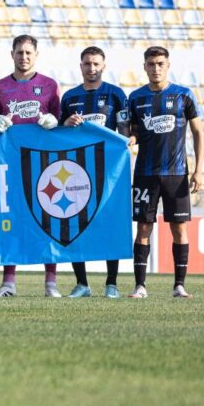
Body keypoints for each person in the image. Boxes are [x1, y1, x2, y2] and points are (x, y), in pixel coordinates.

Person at [127, 46, 204, 299]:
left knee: (178, 229)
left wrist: (199, 170)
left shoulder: (184, 95)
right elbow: (134, 131)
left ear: (168, 65)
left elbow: (198, 132)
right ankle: (140, 286)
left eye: (160, 63)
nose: (156, 68)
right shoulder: (136, 98)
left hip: (177, 174)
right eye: (151, 64)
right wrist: (131, 138)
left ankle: (179, 286)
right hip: (145, 175)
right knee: (143, 229)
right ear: (145, 67)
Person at [0, 35, 62, 297]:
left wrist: (53, 122)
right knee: (12, 221)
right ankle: (8, 282)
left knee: (48, 219)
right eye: (19, 52)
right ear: (12, 54)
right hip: (11, 162)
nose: (24, 57)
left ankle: (51, 283)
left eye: (28, 52)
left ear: (36, 55)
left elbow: (61, 122)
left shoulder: (50, 85)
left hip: (43, 163)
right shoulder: (0, 87)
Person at [60, 46, 129, 299]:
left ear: (103, 66)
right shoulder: (69, 97)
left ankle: (112, 284)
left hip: (109, 171)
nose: (92, 68)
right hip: (77, 170)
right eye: (87, 64)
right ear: (81, 66)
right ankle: (82, 284)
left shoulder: (116, 95)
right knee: (74, 222)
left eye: (96, 64)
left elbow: (124, 133)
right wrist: (65, 124)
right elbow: (58, 135)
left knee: (111, 224)